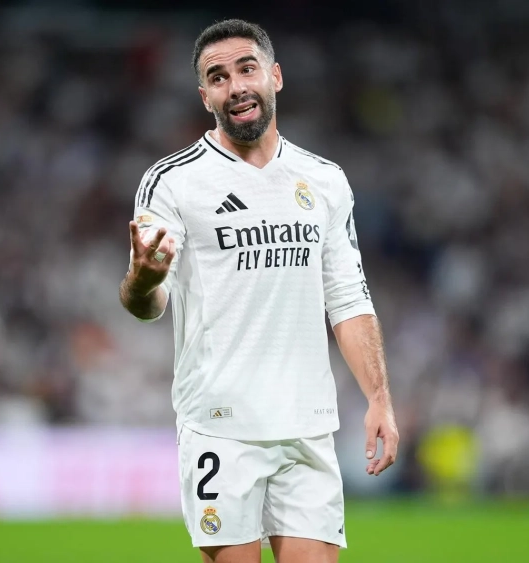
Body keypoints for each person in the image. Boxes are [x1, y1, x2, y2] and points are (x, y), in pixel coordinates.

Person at [119, 18, 400, 563]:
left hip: (307, 427)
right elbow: (146, 305)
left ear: (274, 76)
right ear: (205, 97)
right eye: (218, 77)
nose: (236, 85)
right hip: (222, 429)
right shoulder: (173, 182)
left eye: (247, 69)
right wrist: (145, 276)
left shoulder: (323, 180)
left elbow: (347, 298)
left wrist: (379, 399)